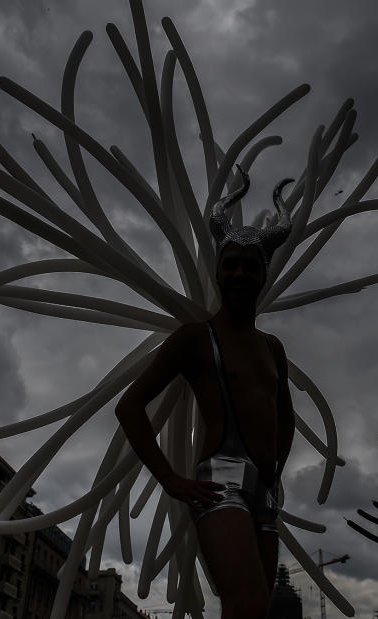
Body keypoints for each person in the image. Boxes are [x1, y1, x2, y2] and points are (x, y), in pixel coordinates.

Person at [116, 169, 296, 619]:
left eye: (249, 265)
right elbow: (130, 406)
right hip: (221, 482)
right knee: (248, 603)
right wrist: (170, 478)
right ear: (218, 271)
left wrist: (276, 470)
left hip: (266, 489)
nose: (239, 273)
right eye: (230, 264)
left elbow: (285, 416)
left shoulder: (272, 347)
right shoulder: (194, 338)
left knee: (258, 610)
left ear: (263, 274)